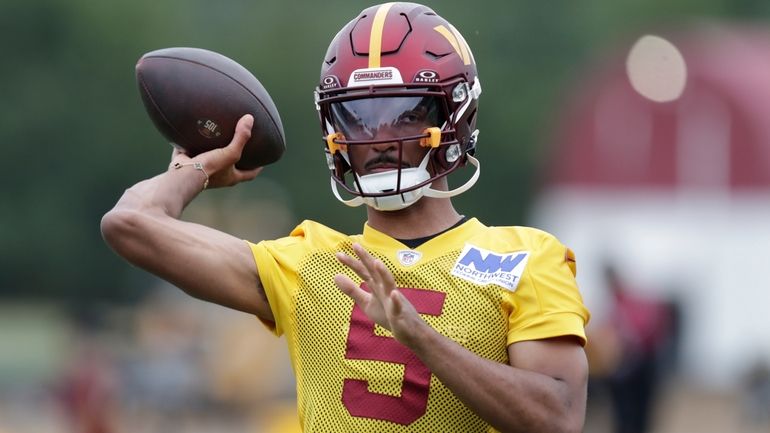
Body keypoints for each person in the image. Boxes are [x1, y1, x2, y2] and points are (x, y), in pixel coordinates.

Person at [101, 3, 590, 432]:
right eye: (355, 118)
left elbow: (558, 417)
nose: (376, 136)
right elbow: (129, 224)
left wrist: (419, 337)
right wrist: (198, 168)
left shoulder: (528, 258)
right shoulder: (308, 263)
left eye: (403, 113)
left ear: (455, 118)